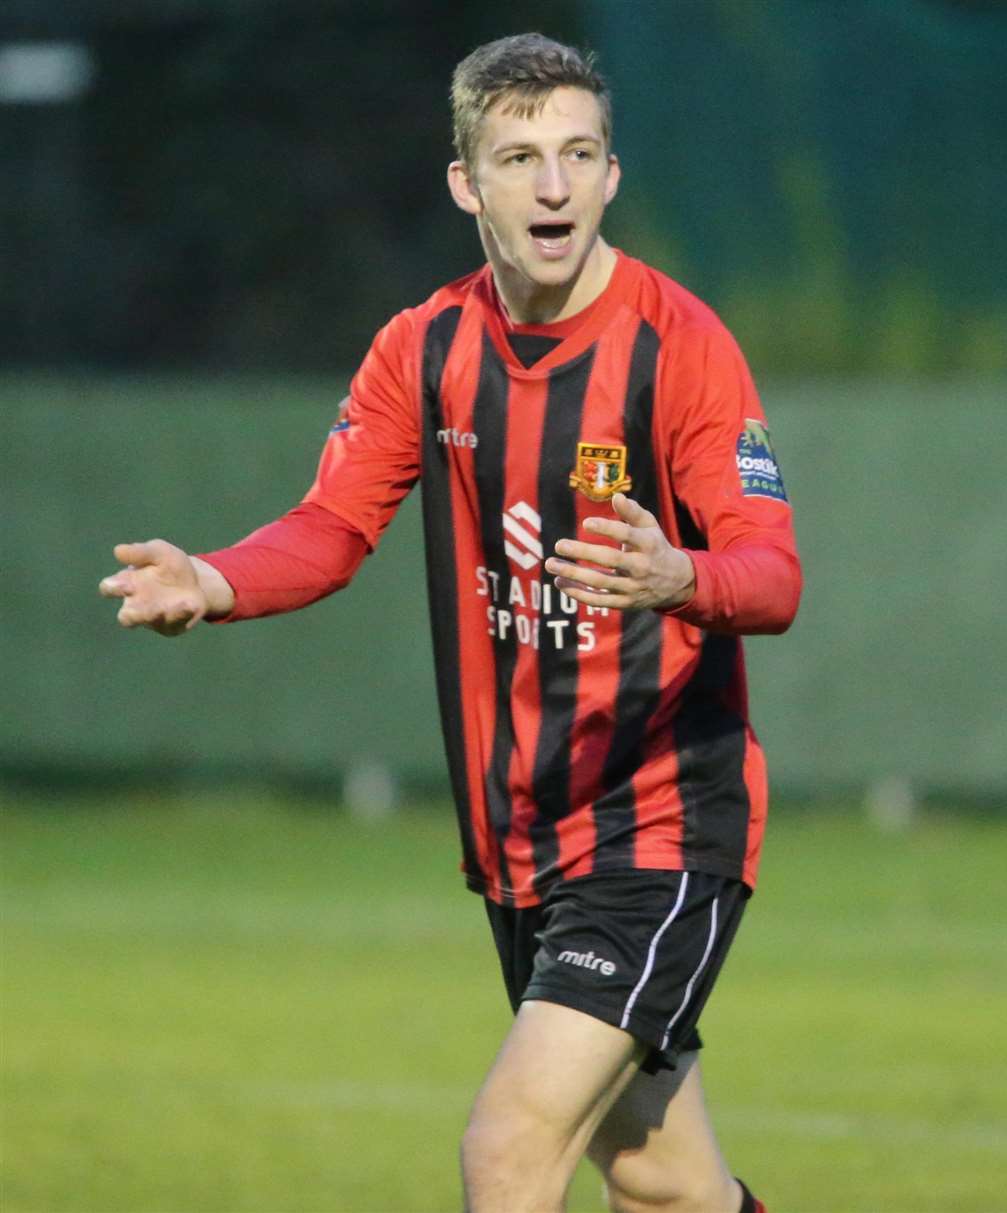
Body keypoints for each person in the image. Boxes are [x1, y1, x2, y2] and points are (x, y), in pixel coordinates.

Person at [100, 33, 800, 1213]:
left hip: (660, 823)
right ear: (466, 185)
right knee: (662, 1180)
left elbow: (771, 576)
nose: (555, 185)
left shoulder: (678, 347)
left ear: (613, 175)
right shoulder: (424, 349)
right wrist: (215, 580)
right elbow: (332, 525)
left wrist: (678, 575)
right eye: (521, 157)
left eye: (579, 154)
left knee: (509, 1146)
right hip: (520, 836)